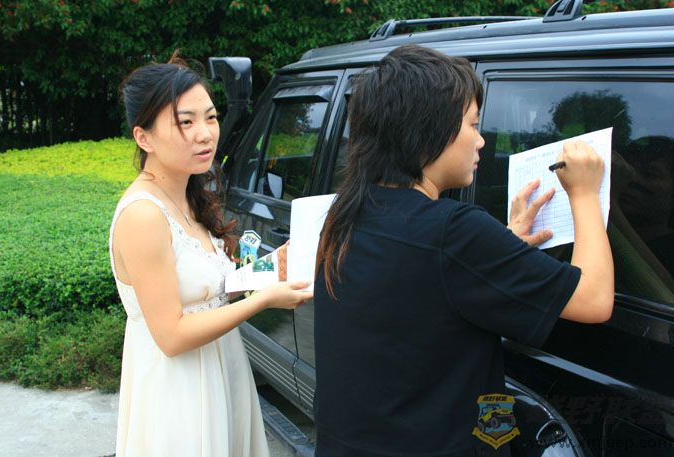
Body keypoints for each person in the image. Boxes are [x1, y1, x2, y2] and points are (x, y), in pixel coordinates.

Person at [313, 45, 614, 457]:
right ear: (428, 130)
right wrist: (584, 193)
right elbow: (594, 300)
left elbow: (422, 292)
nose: (482, 140)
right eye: (472, 124)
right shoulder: (453, 232)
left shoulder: (347, 213)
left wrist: (503, 242)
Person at [110, 54, 313, 457]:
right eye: (185, 122)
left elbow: (209, 291)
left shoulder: (189, 194)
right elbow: (172, 336)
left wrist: (269, 268)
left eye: (211, 117)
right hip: (179, 391)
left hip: (223, 369)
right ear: (143, 137)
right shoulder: (143, 216)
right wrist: (263, 301)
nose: (204, 134)